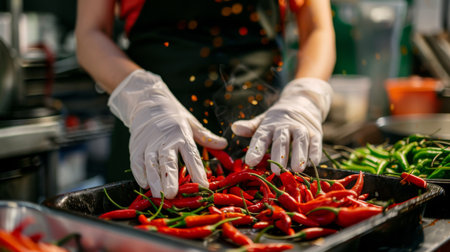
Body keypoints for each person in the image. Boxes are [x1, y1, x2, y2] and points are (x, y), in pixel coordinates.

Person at [75, 0, 336, 199]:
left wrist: (304, 96)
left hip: (265, 126)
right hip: (150, 125)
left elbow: (317, 27)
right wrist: (142, 98)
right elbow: (90, 34)